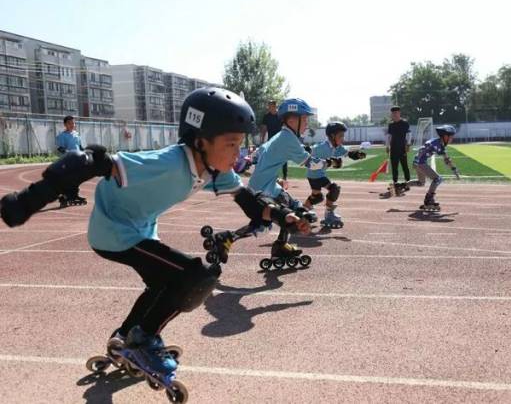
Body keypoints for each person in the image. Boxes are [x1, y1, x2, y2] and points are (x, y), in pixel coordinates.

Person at [0, 87, 310, 379]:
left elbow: (252, 204)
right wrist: (27, 201)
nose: (237, 152)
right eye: (230, 143)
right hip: (115, 232)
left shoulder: (216, 170)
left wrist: (286, 216)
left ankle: (125, 337)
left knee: (164, 286)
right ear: (200, 141)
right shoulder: (168, 163)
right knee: (197, 275)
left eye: (240, 143)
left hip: (140, 231)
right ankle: (143, 341)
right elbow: (90, 161)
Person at [249, 98, 326, 265]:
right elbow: (310, 164)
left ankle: (280, 246)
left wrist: (272, 175)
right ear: (292, 120)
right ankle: (277, 247)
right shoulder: (287, 138)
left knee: (293, 208)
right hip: (264, 189)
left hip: (266, 184)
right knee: (292, 215)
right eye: (304, 119)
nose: (307, 123)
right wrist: (332, 162)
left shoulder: (282, 135)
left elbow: (261, 152)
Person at [303, 121, 365, 228]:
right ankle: (328, 215)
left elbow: (348, 153)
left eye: (343, 136)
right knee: (333, 189)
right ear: (332, 136)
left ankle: (303, 211)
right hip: (314, 175)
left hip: (320, 174)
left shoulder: (336, 147)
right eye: (341, 136)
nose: (343, 138)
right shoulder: (322, 147)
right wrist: (306, 149)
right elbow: (310, 151)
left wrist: (357, 154)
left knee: (317, 197)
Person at [413, 125, 460, 210]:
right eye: (451, 137)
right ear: (445, 136)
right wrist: (416, 161)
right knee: (437, 179)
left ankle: (401, 185)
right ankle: (428, 200)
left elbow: (446, 159)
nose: (452, 139)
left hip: (421, 162)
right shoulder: (434, 143)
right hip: (420, 163)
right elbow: (421, 149)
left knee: (421, 183)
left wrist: (454, 169)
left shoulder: (440, 145)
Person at [56, 115, 86, 206]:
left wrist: (85, 153)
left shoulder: (76, 134)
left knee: (76, 179)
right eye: (69, 123)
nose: (72, 124)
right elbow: (60, 148)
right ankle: (63, 196)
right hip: (67, 161)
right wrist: (68, 153)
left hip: (77, 160)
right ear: (65, 124)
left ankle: (74, 195)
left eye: (73, 123)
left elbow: (80, 147)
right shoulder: (62, 136)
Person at [259, 100, 289, 187]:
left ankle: (285, 176)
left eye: (270, 105)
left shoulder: (280, 116)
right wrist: (262, 140)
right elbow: (264, 128)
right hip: (271, 140)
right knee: (270, 158)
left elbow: (285, 127)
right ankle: (272, 176)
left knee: (284, 157)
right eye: (268, 105)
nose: (269, 107)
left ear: (275, 106)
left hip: (281, 139)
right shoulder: (266, 116)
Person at [386, 106, 411, 194]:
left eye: (396, 113)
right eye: (393, 113)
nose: (395, 114)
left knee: (405, 166)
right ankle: (395, 183)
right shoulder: (391, 125)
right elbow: (389, 136)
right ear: (391, 114)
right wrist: (387, 146)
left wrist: (408, 144)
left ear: (399, 113)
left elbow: (409, 134)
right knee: (394, 167)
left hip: (402, 148)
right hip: (393, 149)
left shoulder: (405, 123)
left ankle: (408, 183)